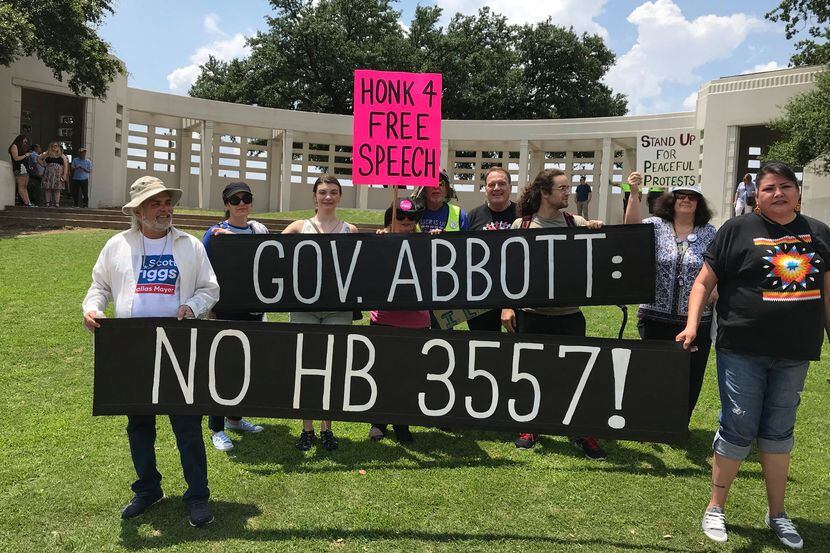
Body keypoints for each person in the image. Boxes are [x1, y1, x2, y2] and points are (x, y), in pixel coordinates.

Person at [677, 162, 830, 549]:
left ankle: (777, 514)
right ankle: (716, 506)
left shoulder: (820, 234)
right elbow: (703, 282)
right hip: (741, 348)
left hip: (795, 351)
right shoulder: (737, 230)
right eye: (768, 188)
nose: (778, 193)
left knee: (779, 431)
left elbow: (829, 296)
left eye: (785, 186)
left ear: (798, 191)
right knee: (738, 427)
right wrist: (693, 324)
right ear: (756, 197)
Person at [82, 176, 220, 527]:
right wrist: (93, 309)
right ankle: (147, 489)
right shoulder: (116, 246)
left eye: (167, 202)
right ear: (139, 212)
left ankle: (198, 496)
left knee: (187, 424)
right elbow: (99, 286)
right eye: (156, 203)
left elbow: (209, 288)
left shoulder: (190, 245)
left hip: (179, 346)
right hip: (133, 348)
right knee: (139, 425)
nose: (165, 208)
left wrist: (191, 305)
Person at [501, 169, 608, 461]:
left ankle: (580, 430)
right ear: (544, 193)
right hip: (532, 314)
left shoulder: (576, 222)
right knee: (530, 372)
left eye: (568, 188)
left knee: (575, 375)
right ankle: (529, 426)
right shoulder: (521, 225)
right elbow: (508, 271)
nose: (567, 193)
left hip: (569, 315)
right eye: (562, 188)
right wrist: (508, 305)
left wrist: (598, 229)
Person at [624, 171, 716, 423]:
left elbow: (717, 267)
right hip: (655, 314)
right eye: (681, 196)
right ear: (671, 200)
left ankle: (677, 422)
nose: (686, 200)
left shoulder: (710, 233)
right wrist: (634, 192)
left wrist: (716, 288)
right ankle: (650, 421)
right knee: (654, 370)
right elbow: (631, 232)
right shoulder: (655, 226)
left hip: (696, 319)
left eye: (692, 197)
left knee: (689, 373)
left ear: (699, 203)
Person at [283, 174, 358, 452]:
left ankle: (328, 428)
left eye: (333, 192)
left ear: (340, 196)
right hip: (304, 309)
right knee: (305, 368)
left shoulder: (350, 229)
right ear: (314, 196)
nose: (328, 197)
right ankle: (307, 429)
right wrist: (231, 238)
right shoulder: (299, 227)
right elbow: (264, 250)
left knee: (333, 368)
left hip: (338, 310)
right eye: (323, 192)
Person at [202, 181, 268, 451]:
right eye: (235, 199)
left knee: (245, 367)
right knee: (224, 367)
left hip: (253, 309)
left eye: (246, 198)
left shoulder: (259, 231)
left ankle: (235, 418)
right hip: (224, 310)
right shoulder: (214, 234)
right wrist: (209, 310)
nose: (241, 203)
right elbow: (203, 272)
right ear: (226, 204)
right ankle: (217, 427)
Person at [368, 199, 430, 443]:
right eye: (400, 217)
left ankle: (402, 422)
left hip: (416, 320)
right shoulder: (379, 242)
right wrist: (381, 243)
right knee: (381, 373)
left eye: (411, 218)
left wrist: (438, 239)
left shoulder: (427, 243)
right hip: (385, 319)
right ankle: (378, 422)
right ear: (389, 221)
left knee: (409, 376)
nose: (406, 222)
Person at [465, 166, 517, 332]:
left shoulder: (523, 213)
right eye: (491, 184)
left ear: (510, 187)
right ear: (485, 189)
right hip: (481, 295)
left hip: (516, 291)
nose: (496, 188)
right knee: (482, 347)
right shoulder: (472, 216)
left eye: (501, 183)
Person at [38, 142, 69, 208]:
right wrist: (44, 165)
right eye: (53, 146)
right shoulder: (47, 154)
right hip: (48, 174)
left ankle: (57, 203)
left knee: (57, 189)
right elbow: (38, 158)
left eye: (56, 146)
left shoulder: (62, 155)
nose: (54, 147)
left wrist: (64, 175)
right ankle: (47, 203)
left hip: (58, 174)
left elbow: (66, 165)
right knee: (47, 188)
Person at [8, 134, 34, 206]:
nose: (25, 142)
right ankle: (26, 202)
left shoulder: (21, 147)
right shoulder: (14, 146)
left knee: (24, 186)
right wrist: (25, 155)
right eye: (24, 140)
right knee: (21, 186)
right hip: (19, 168)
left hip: (25, 168)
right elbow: (16, 158)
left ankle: (28, 202)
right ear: (20, 140)